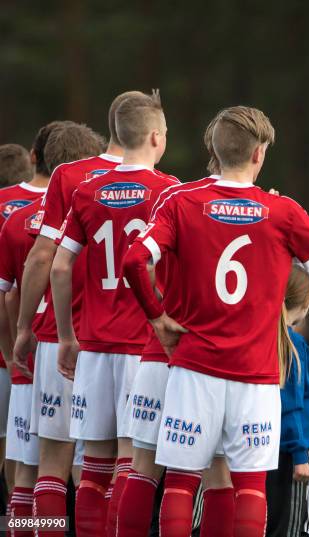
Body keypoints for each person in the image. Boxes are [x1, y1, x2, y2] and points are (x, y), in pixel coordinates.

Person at [122, 105, 309, 537]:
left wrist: (157, 319)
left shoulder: (181, 201)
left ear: (213, 148)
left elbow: (134, 259)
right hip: (256, 373)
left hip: (194, 367)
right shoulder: (281, 210)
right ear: (259, 154)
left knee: (180, 483)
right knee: (249, 487)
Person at [50, 90, 178, 536]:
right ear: (157, 138)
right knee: (133, 460)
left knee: (93, 466)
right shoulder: (169, 191)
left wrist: (67, 335)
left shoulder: (86, 190)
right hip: (143, 347)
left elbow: (60, 264)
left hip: (94, 343)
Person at [13, 92, 135, 532]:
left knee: (48, 460)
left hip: (58, 336)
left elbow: (44, 257)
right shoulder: (161, 181)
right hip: (122, 340)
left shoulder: (69, 176)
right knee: (122, 459)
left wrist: (24, 327)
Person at [0, 121, 65, 532]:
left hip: (19, 357)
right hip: (72, 349)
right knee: (84, 465)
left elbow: (6, 293)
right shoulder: (81, 206)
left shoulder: (11, 211)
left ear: (35, 157)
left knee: (24, 460)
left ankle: (18, 526)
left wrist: (10, 351)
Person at [266, 265, 309, 537]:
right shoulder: (293, 345)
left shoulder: (260, 339)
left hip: (257, 453)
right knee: (296, 530)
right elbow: (296, 402)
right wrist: (301, 454)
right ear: (307, 303)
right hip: (294, 455)